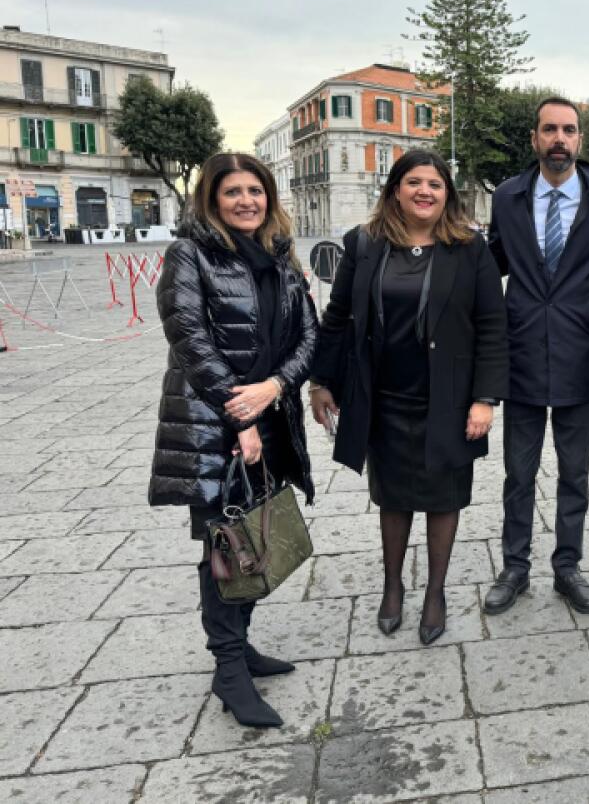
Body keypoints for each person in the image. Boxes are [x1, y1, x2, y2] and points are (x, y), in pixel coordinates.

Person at [309, 150, 508, 645]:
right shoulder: (365, 244)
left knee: (444, 498)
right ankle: (393, 586)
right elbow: (337, 318)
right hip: (384, 397)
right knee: (392, 497)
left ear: (448, 194)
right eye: (414, 182)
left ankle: (436, 592)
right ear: (395, 189)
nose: (425, 191)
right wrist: (320, 381)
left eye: (435, 184)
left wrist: (485, 398)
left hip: (450, 397)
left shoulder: (469, 248)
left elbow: (492, 325)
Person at [149, 152, 317, 728]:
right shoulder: (189, 255)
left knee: (250, 536)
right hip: (214, 425)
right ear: (211, 200)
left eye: (255, 191)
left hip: (268, 416)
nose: (247, 201)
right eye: (233, 193)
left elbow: (308, 337)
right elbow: (190, 339)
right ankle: (228, 669)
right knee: (224, 545)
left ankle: (239, 648)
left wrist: (273, 387)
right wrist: (239, 416)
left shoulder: (279, 258)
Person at [484, 96, 589, 616]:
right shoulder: (507, 197)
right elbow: (491, 261)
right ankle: (515, 568)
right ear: (534, 139)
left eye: (568, 130)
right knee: (518, 475)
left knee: (576, 474)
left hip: (580, 356)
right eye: (549, 130)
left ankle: (568, 566)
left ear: (580, 140)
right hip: (519, 356)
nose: (559, 140)